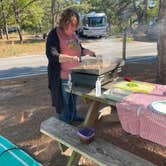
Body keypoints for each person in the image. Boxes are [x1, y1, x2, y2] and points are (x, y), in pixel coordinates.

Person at [46, 8, 95, 124]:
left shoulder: (73, 35)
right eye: (72, 26)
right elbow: (52, 54)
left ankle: (73, 116)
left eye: (75, 26)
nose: (74, 29)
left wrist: (86, 51)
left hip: (75, 75)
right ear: (65, 23)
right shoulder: (54, 34)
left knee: (73, 98)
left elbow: (78, 48)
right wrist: (70, 58)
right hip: (62, 76)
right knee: (64, 101)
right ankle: (64, 122)